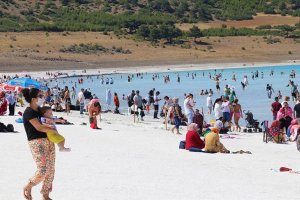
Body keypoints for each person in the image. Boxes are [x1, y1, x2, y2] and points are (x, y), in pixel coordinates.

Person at [22, 88, 57, 200]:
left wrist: (57, 121)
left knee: (51, 169)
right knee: (43, 169)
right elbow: (39, 127)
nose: (43, 98)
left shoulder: (40, 111)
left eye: (43, 95)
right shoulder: (29, 112)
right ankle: (28, 186)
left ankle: (45, 195)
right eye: (40, 96)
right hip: (36, 142)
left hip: (49, 141)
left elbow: (49, 119)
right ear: (33, 99)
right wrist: (52, 128)